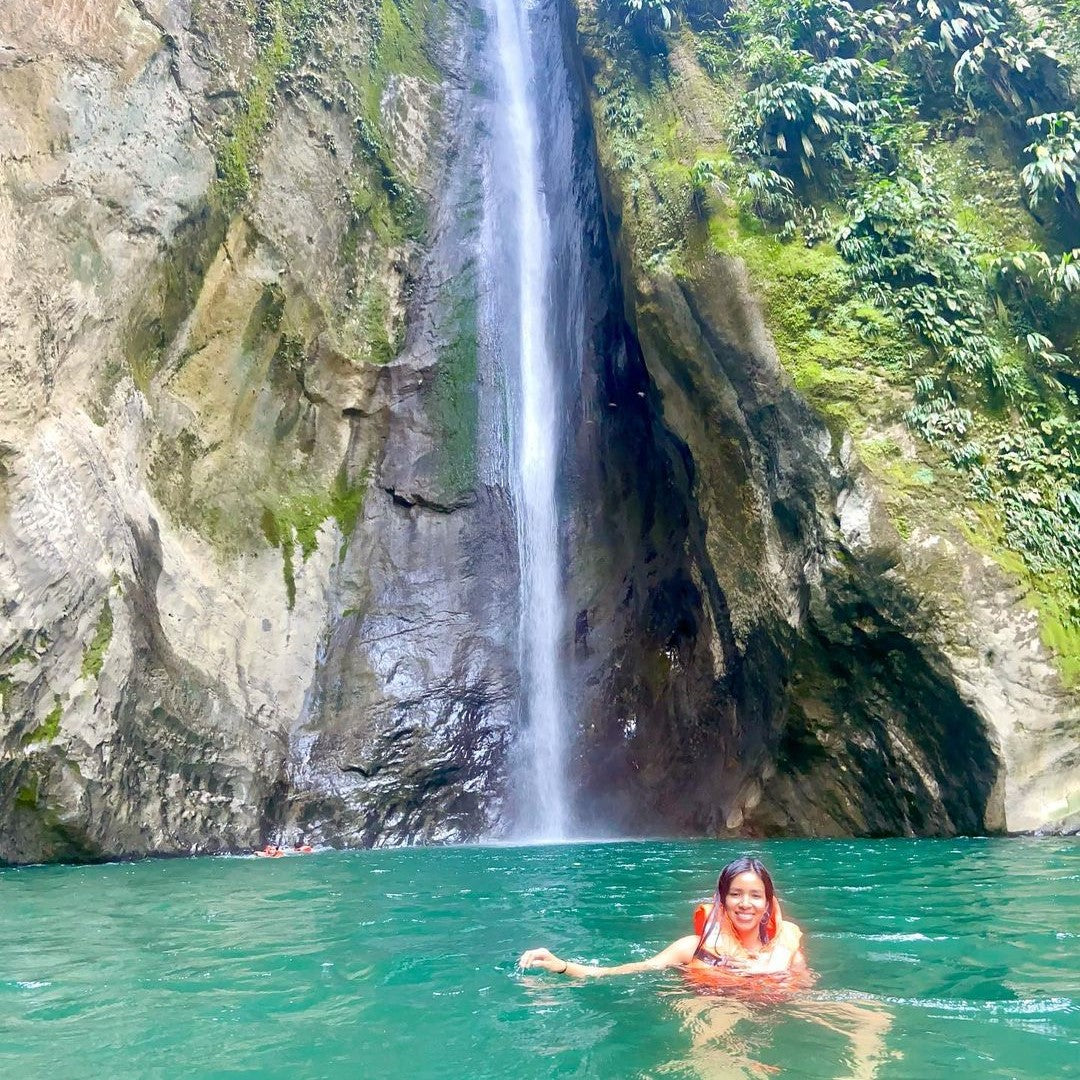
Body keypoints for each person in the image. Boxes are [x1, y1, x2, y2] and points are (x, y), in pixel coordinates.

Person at [517, 856, 806, 981]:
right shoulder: (692, 948)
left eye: (755, 896)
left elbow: (804, 1001)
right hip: (710, 1016)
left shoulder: (788, 956)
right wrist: (562, 966)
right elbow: (621, 971)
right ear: (722, 901)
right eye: (735, 894)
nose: (745, 904)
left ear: (768, 903)